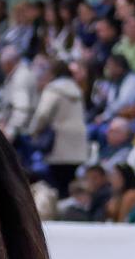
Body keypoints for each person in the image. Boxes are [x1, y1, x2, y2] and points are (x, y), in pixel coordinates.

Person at [27, 56, 89, 191]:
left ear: (52, 73)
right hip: (78, 143)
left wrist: (32, 131)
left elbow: (42, 114)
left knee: (57, 186)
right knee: (70, 183)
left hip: (59, 143)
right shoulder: (77, 89)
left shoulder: (53, 89)